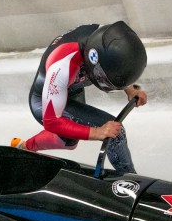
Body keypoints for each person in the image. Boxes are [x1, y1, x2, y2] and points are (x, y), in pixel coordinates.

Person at [11, 21, 148, 174]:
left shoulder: (104, 37)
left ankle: (25, 147)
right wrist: (97, 132)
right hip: (44, 102)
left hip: (70, 89)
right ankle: (130, 178)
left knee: (69, 142)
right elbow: (52, 121)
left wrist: (130, 88)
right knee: (115, 133)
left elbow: (115, 63)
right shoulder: (62, 65)